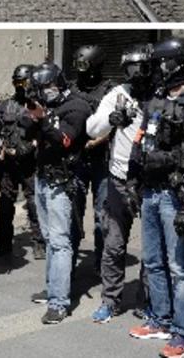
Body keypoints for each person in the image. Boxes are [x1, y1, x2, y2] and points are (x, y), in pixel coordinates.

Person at [128, 37, 184, 358]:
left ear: (175, 64)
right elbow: (140, 142)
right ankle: (160, 320)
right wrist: (133, 183)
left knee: (180, 268)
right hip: (150, 193)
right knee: (152, 263)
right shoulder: (155, 101)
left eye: (160, 63)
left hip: (174, 198)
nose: (155, 70)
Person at [87, 43, 154, 324]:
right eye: (130, 69)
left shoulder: (160, 95)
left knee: (152, 250)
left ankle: (147, 301)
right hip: (119, 178)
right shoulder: (117, 95)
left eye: (140, 68)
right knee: (113, 245)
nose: (135, 75)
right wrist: (111, 120)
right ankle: (110, 300)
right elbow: (92, 128)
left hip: (151, 181)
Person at [27, 63, 92, 324]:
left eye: (47, 87)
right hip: (42, 177)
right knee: (49, 239)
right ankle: (53, 288)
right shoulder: (47, 106)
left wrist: (42, 121)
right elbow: (27, 131)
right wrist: (33, 118)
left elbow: (64, 140)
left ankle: (59, 302)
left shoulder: (76, 106)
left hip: (62, 181)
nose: (44, 92)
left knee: (60, 241)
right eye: (40, 89)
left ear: (59, 82)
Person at [69, 44, 116, 273]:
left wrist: (98, 141)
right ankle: (69, 260)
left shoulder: (111, 91)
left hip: (101, 160)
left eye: (83, 65)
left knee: (102, 215)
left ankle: (102, 263)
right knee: (73, 213)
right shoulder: (72, 89)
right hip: (77, 160)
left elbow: (117, 124)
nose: (79, 70)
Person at [0, 64, 44, 260]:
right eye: (17, 82)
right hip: (9, 162)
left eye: (23, 82)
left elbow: (45, 132)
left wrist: (32, 146)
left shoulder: (39, 106)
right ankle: (5, 244)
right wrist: (0, 152)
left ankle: (39, 242)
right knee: (6, 203)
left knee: (33, 202)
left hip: (30, 163)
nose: (19, 86)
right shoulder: (6, 105)